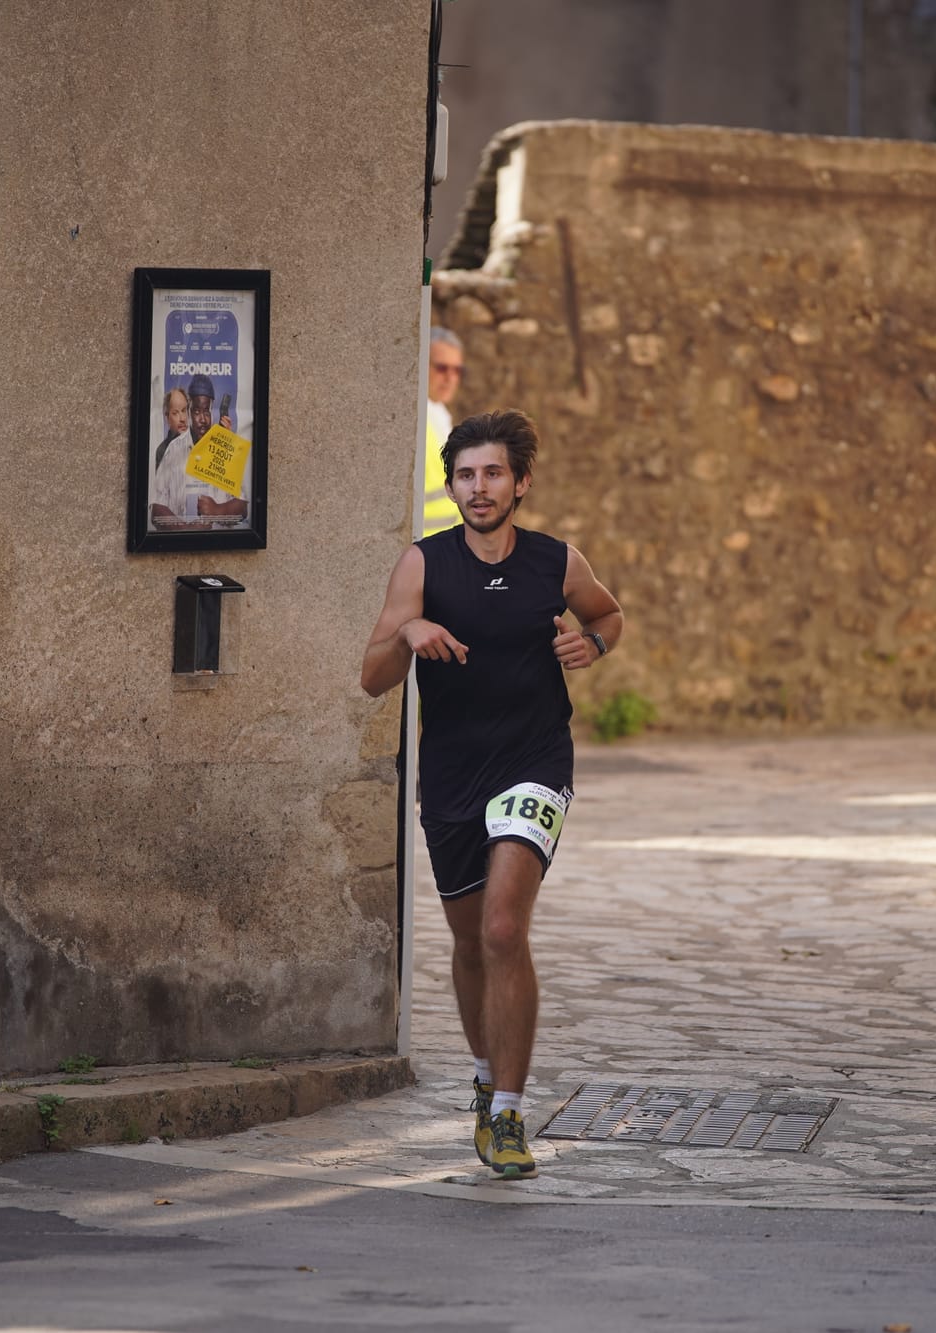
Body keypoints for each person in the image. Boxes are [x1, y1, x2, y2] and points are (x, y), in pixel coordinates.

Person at [361, 408, 624, 1180]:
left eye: (494, 473)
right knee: (472, 942)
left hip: (535, 761)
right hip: (450, 776)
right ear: (452, 486)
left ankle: (509, 1111)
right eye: (466, 475)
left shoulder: (555, 561)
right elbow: (371, 676)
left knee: (506, 928)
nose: (480, 488)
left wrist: (594, 641)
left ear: (521, 482)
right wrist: (406, 636)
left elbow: (609, 611)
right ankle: (485, 1073)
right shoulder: (423, 566)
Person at [186, 373, 246, 521]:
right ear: (188, 412)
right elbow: (156, 509)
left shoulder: (225, 447)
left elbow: (244, 508)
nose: (202, 419)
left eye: (206, 411)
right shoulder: (174, 450)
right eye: (196, 411)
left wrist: (218, 510)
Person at [421, 328, 464, 535]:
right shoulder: (417, 419)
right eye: (441, 368)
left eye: (457, 370)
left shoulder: (439, 414)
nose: (450, 378)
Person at [149, 387, 198, 526]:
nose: (182, 418)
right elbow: (159, 502)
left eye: (184, 411)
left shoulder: (197, 441)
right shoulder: (163, 450)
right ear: (167, 418)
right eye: (175, 413)